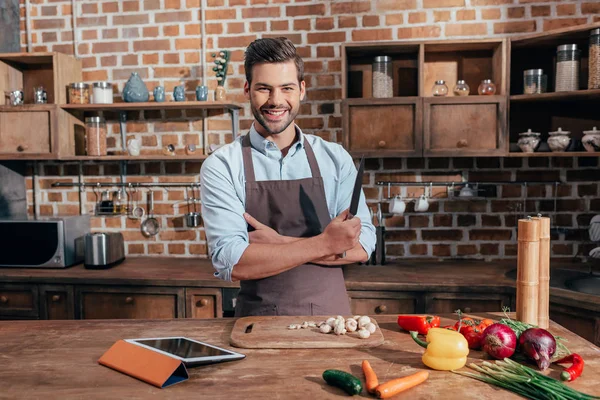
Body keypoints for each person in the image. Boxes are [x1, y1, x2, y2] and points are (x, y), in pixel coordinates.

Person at [200, 37, 375, 317]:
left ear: (302, 90)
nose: (276, 100)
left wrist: (280, 244)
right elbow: (232, 262)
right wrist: (326, 243)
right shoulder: (222, 165)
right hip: (257, 326)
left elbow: (363, 245)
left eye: (286, 88)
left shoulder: (334, 158)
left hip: (333, 323)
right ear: (247, 90)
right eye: (263, 89)